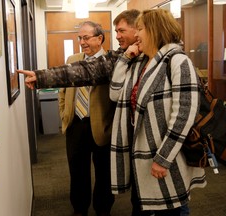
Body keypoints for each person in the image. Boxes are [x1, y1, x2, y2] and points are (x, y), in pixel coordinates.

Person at [18, 8, 203, 216]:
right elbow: (102, 83)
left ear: (152, 30)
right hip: (140, 153)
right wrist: (41, 77)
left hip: (166, 155)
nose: (118, 36)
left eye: (131, 30)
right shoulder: (136, 60)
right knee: (142, 204)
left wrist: (164, 157)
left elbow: (183, 115)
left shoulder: (177, 61)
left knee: (172, 207)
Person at [58, 21, 115, 216]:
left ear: (99, 38)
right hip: (76, 124)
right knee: (77, 171)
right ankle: (79, 209)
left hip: (102, 127)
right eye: (79, 38)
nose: (82, 42)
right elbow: (63, 91)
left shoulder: (112, 62)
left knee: (104, 173)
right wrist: (64, 114)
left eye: (86, 37)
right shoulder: (73, 59)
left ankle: (103, 209)